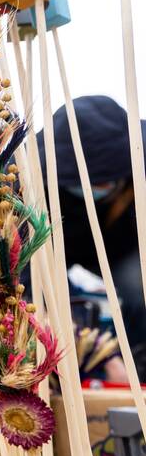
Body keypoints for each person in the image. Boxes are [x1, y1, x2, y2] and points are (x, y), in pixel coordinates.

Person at [38, 95, 146, 381]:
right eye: (89, 182)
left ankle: (138, 364)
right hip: (53, 249)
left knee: (139, 290)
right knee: (57, 311)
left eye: (105, 181)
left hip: (123, 246)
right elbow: (27, 269)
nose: (99, 188)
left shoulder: (139, 154)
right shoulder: (31, 175)